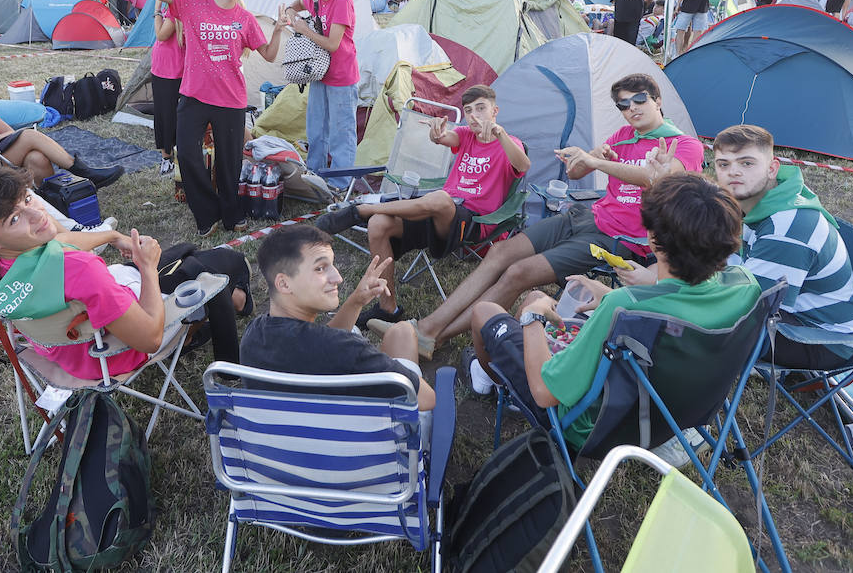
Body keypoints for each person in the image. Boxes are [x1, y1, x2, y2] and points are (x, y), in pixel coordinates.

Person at [399, 74, 703, 359]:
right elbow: (577, 171)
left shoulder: (685, 145)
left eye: (639, 100)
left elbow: (653, 179)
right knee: (502, 251)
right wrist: (587, 158)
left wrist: (597, 164)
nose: (631, 108)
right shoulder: (624, 136)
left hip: (619, 239)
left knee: (519, 273)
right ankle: (427, 327)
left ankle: (434, 338)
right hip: (587, 216)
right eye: (624, 104)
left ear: (658, 100)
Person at [466, 173, 761, 448]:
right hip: (669, 419)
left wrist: (534, 315)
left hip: (589, 428)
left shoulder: (622, 307)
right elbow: (678, 313)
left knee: (490, 310)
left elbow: (545, 393)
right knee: (544, 303)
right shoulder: (745, 287)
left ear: (654, 241)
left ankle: (491, 382)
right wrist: (612, 293)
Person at [0, 166, 239, 379]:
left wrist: (112, 237)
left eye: (28, 199)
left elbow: (60, 241)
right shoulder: (81, 269)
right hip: (110, 354)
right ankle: (229, 354)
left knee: (181, 252)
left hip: (68, 351)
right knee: (213, 266)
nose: (38, 215)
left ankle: (227, 303)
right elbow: (150, 339)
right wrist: (147, 268)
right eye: (15, 218)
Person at [317, 85, 529, 326]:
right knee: (378, 225)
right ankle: (388, 309)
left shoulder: (510, 142)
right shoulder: (467, 135)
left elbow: (522, 166)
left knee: (439, 198)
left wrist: (500, 135)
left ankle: (363, 210)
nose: (474, 116)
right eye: (468, 110)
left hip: (473, 221)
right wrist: (436, 133)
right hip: (438, 211)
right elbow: (445, 137)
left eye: (481, 109)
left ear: (495, 111)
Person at [146, 0, 288, 236]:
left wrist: (279, 30)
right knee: (186, 155)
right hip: (194, 96)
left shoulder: (245, 19)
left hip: (231, 100)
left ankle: (231, 213)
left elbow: (269, 55)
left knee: (229, 163)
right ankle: (205, 214)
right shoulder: (192, 2)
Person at [710, 125, 853, 369]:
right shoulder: (760, 201)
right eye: (723, 164)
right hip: (792, 317)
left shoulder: (786, 227)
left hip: (820, 339)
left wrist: (670, 292)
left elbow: (747, 309)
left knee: (693, 331)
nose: (733, 172)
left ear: (772, 169)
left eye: (747, 163)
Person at [240, 224, 435, 408]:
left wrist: (356, 301)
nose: (338, 278)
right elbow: (426, 400)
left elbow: (318, 345)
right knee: (403, 332)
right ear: (284, 284)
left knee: (398, 331)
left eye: (332, 265)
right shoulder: (348, 351)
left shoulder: (253, 338)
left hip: (284, 439)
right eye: (320, 268)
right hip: (370, 439)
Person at [0, 65, 123, 189]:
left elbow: (9, 132)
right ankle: (84, 172)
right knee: (29, 136)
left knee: (36, 157)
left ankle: (52, 200)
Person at [290, 0, 360, 190]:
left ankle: (340, 183)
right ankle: (315, 175)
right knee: (316, 128)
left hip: (342, 76)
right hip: (320, 73)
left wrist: (304, 29)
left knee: (342, 132)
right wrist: (290, 14)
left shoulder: (342, 1)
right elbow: (295, 4)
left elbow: (333, 44)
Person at [148, 0, 190, 177]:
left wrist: (156, 11)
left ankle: (167, 160)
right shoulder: (192, 1)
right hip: (183, 67)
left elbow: (161, 35)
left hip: (167, 67)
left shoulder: (174, 5)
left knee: (166, 114)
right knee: (181, 114)